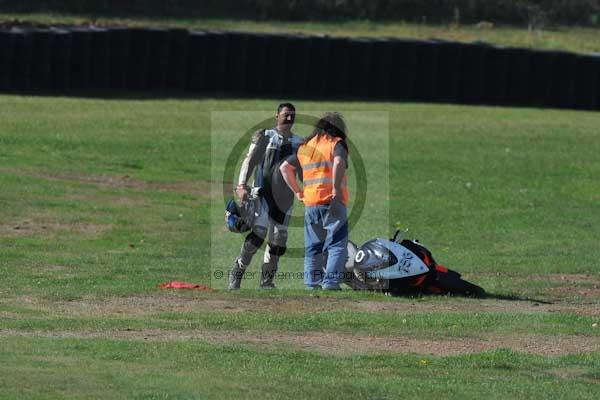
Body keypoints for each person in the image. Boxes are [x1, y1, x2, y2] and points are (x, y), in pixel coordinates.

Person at [228, 103, 303, 290]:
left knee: (279, 238)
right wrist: (242, 186)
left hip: (285, 199)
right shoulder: (265, 136)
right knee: (259, 234)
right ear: (276, 115)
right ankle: (237, 272)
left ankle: (267, 281)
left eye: (292, 115)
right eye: (285, 114)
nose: (289, 118)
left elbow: (303, 172)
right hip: (261, 195)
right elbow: (250, 160)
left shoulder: (299, 143)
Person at [279, 112, 349, 290]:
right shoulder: (336, 143)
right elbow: (339, 162)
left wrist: (298, 192)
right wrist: (335, 190)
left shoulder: (305, 147)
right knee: (337, 245)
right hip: (332, 201)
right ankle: (331, 283)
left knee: (313, 246)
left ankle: (312, 284)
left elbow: (285, 168)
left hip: (311, 203)